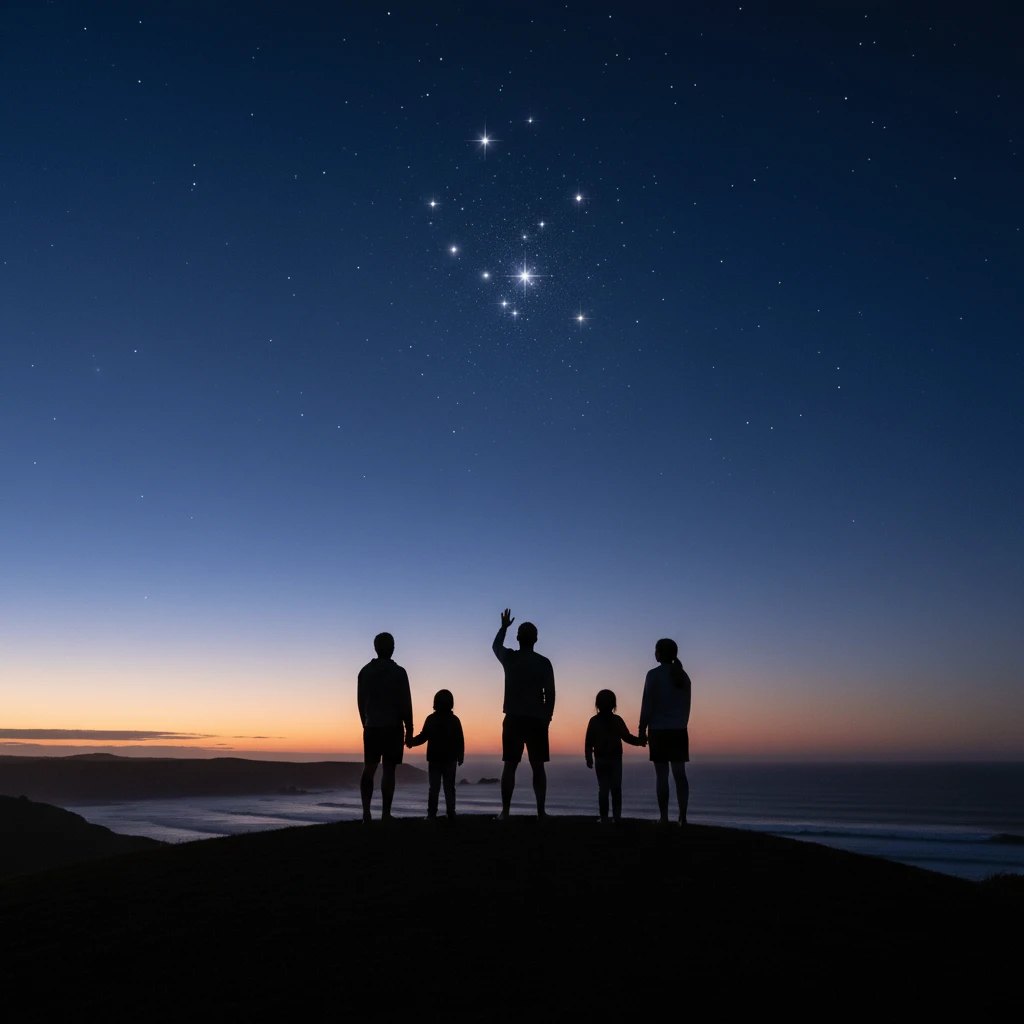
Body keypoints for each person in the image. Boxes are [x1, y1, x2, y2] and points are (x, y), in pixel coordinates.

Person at [492, 608, 555, 819]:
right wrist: (547, 718)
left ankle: (505, 812)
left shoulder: (510, 658)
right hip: (537, 721)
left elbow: (496, 646)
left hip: (513, 719)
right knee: (538, 767)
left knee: (510, 766)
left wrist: (503, 628)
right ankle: (541, 812)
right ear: (535, 639)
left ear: (518, 638)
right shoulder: (543, 662)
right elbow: (550, 694)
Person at [356, 631, 413, 822]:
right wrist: (409, 729)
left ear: (375, 648)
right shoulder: (399, 672)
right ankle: (385, 814)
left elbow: (360, 701)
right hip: (393, 727)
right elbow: (405, 702)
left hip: (372, 726)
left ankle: (366, 814)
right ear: (392, 648)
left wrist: (365, 722)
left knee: (369, 768)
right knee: (389, 771)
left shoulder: (365, 671)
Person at [638, 638, 692, 825]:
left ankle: (664, 817)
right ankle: (683, 817)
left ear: (659, 653)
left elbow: (647, 705)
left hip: (658, 731)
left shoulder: (653, 675)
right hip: (679, 731)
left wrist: (641, 729)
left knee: (662, 776)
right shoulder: (684, 676)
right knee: (680, 775)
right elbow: (687, 706)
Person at [585, 689, 644, 823]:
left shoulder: (594, 721)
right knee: (616, 788)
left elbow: (588, 742)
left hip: (601, 759)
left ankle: (604, 818)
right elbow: (627, 737)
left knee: (603, 789)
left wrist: (588, 758)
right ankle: (616, 817)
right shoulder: (617, 720)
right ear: (614, 705)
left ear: (597, 704)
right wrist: (639, 741)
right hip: (615, 759)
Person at [407, 689, 465, 820]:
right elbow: (460, 740)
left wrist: (412, 742)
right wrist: (460, 755)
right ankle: (451, 813)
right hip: (449, 759)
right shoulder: (454, 720)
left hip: (435, 759)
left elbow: (423, 736)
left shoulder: (431, 719)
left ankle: (432, 814)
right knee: (449, 787)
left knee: (434, 788)